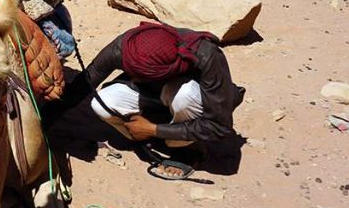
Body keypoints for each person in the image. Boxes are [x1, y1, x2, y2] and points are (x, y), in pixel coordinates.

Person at [66, 22, 244, 165]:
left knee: (184, 95)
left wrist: (153, 129)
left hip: (186, 101)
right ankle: (143, 137)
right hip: (153, 96)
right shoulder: (126, 47)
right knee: (102, 103)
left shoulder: (207, 55)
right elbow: (88, 80)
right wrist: (49, 111)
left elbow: (218, 126)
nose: (134, 78)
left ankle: (185, 149)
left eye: (139, 75)